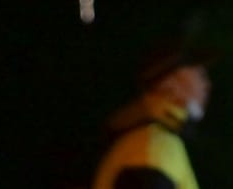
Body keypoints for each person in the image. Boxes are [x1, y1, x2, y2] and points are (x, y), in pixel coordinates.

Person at [91, 40, 213, 189]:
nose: (207, 85)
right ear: (169, 84)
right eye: (200, 74)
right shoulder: (155, 146)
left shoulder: (149, 140)